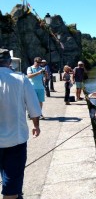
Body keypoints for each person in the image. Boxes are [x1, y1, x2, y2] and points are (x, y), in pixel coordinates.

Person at [0, 48, 42, 199]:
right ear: (9, 62)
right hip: (15, 141)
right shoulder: (20, 78)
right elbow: (33, 107)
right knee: (11, 184)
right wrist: (36, 125)